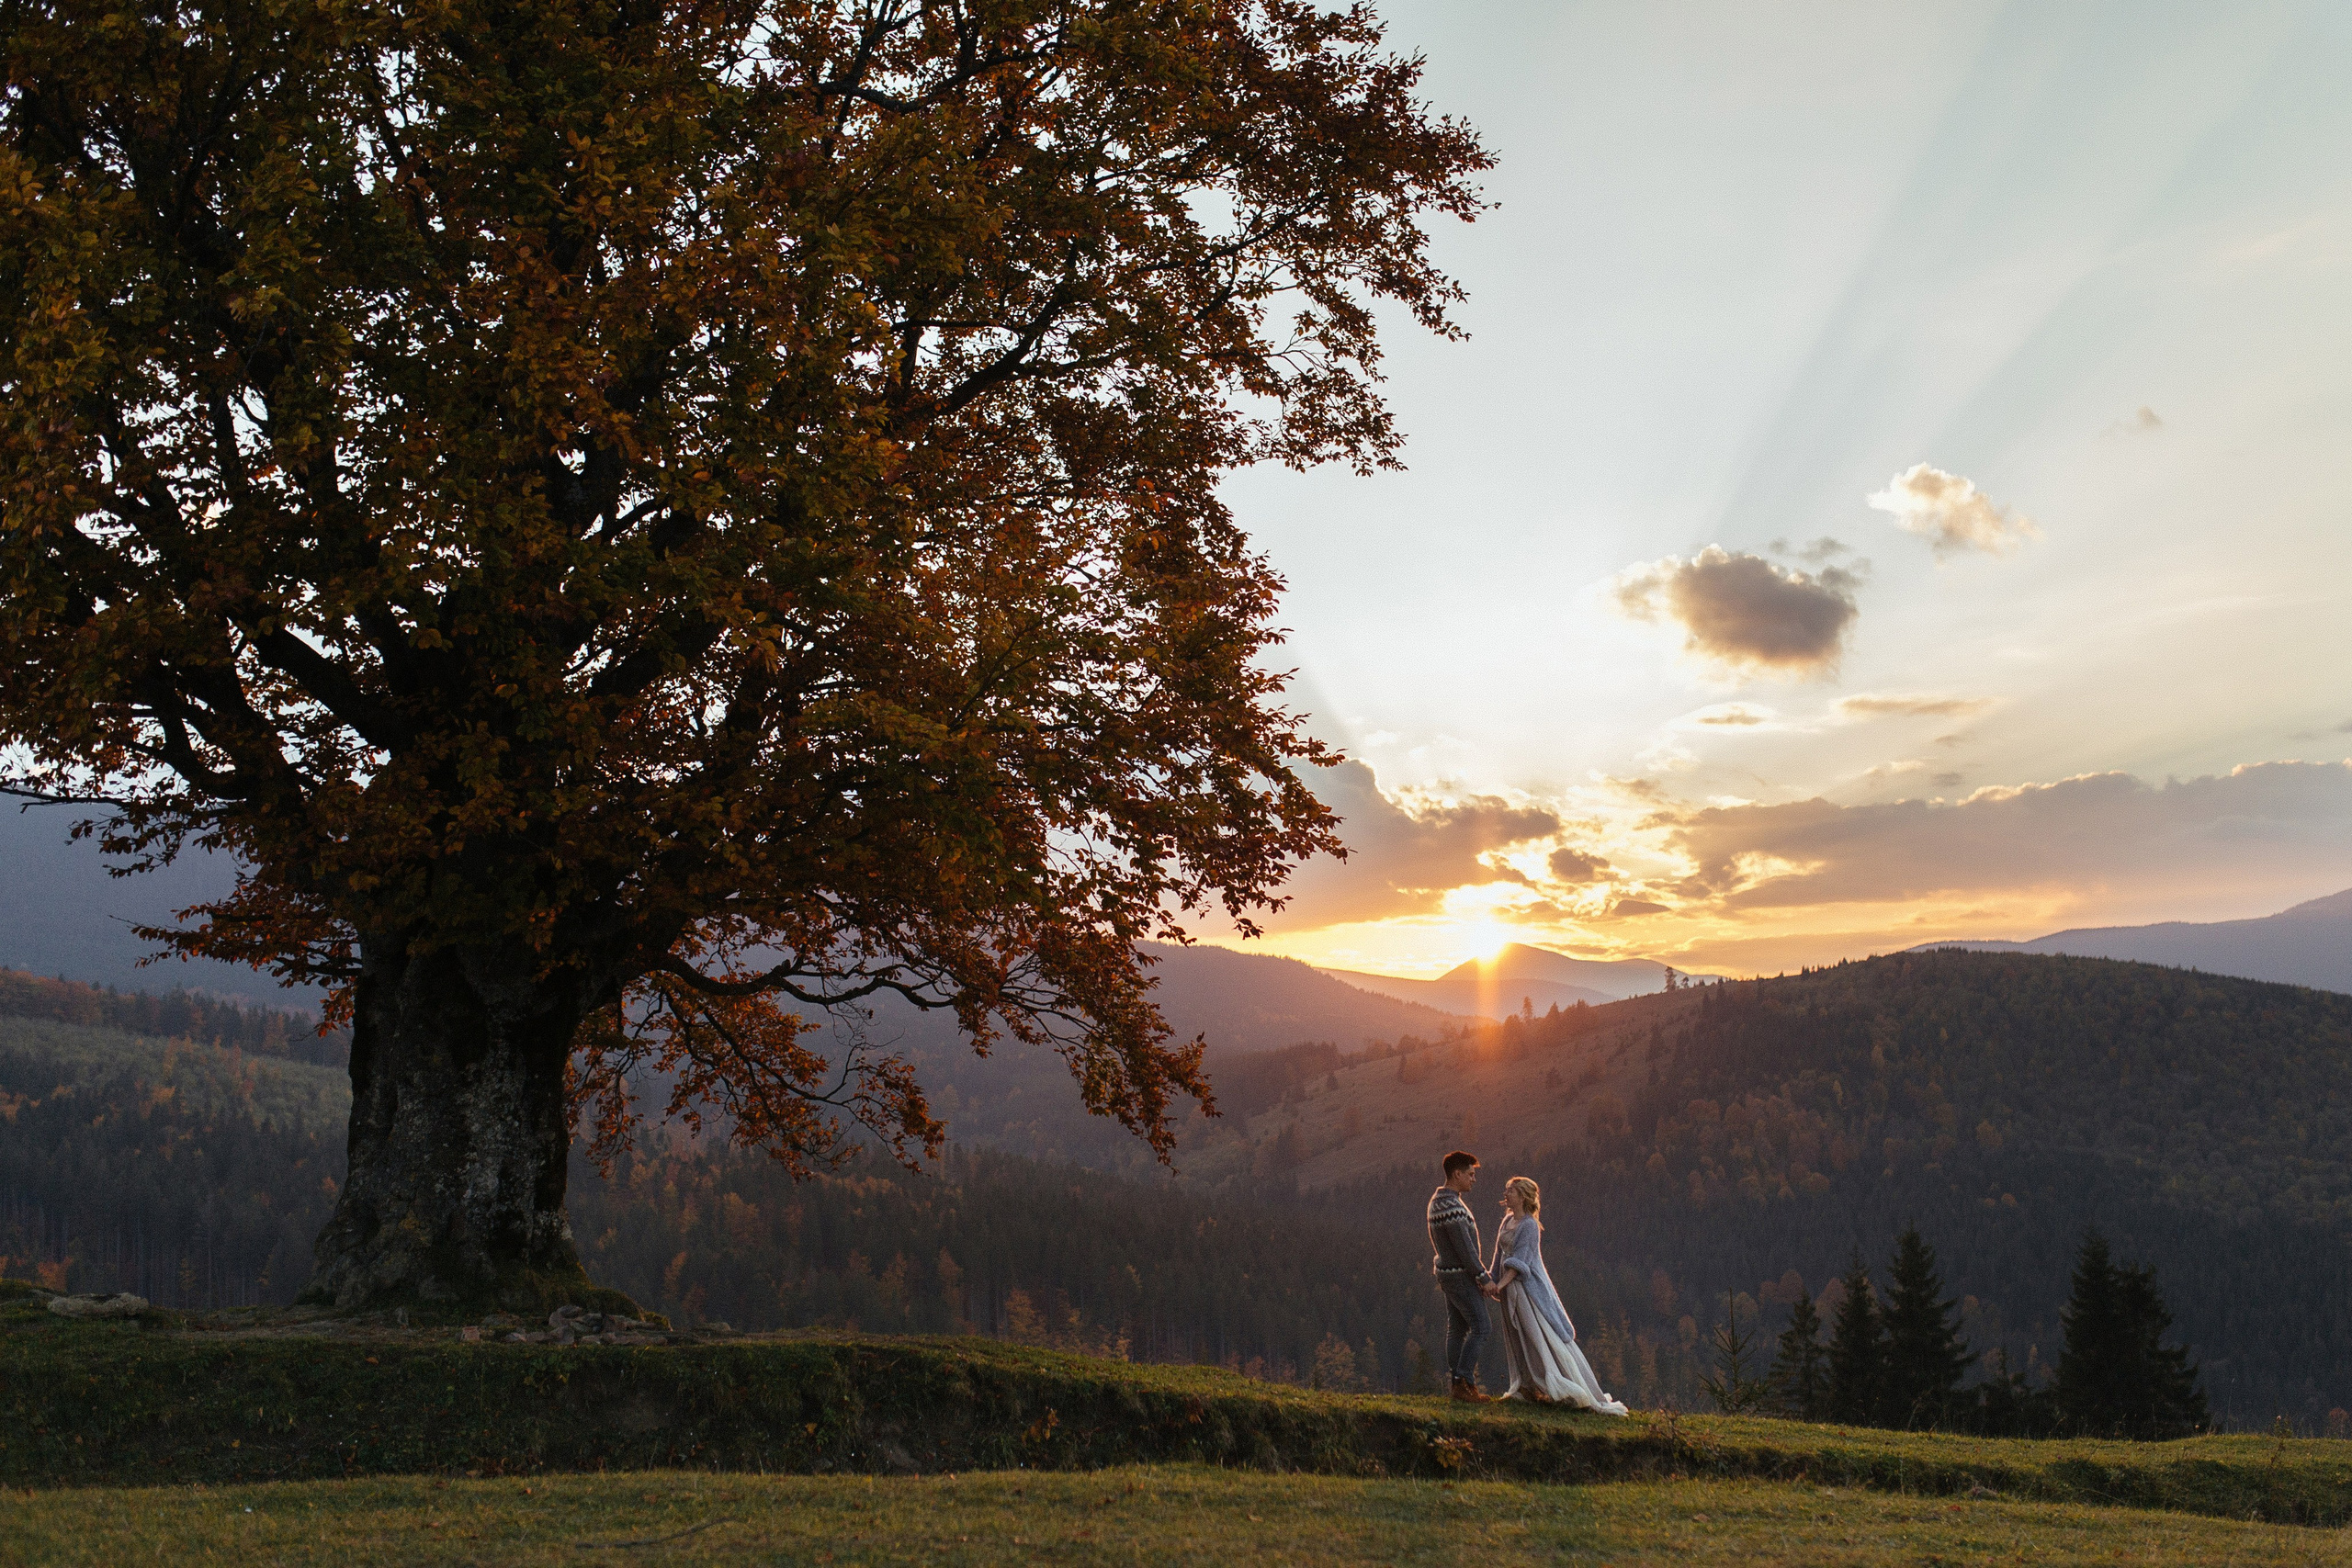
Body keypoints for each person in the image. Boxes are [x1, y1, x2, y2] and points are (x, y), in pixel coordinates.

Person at [1487, 1176, 1629, 1414]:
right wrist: (1491, 1281)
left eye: (1510, 1191)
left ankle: (1562, 1385)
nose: (1506, 1195)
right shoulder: (1507, 1221)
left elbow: (1520, 1263)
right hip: (1509, 1286)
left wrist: (1499, 1285)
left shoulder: (1530, 1225)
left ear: (1522, 1196)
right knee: (1517, 1335)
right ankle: (1526, 1385)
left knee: (1538, 1335)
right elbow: (1499, 1256)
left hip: (1526, 1289)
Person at [1426, 1149, 1495, 1401]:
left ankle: (1459, 1385)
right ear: (1457, 1174)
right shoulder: (1451, 1206)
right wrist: (1483, 1277)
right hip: (1460, 1276)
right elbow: (1464, 1248)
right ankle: (1463, 1381)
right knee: (1482, 1327)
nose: (1473, 1179)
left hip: (1448, 1273)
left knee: (1457, 1329)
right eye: (1470, 1174)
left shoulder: (1439, 1202)